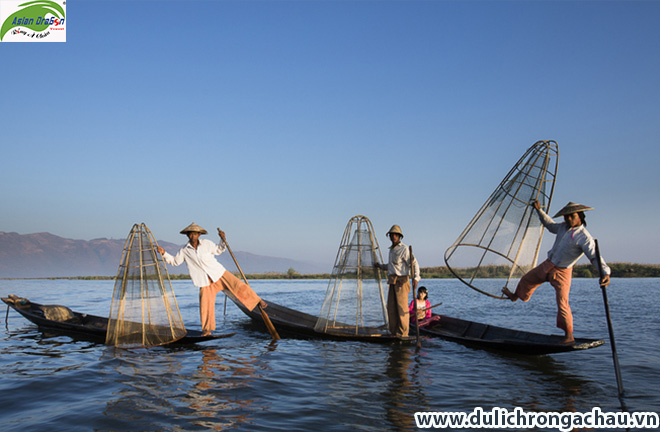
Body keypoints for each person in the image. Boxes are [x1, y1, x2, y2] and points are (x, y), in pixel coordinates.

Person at [502, 201, 611, 344]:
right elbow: (550, 225)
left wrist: (605, 273)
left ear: (580, 217)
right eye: (566, 217)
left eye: (571, 216)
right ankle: (516, 296)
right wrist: (539, 211)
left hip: (563, 272)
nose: (568, 219)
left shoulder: (584, 237)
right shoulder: (563, 227)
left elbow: (594, 256)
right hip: (548, 264)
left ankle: (569, 336)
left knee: (563, 304)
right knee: (526, 279)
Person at [157, 223, 265, 336]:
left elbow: (219, 250)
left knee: (238, 286)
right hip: (204, 281)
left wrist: (222, 239)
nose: (192, 236)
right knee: (205, 305)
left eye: (194, 233)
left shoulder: (206, 244)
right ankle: (207, 330)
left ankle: (257, 301)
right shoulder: (185, 250)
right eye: (190, 234)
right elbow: (175, 262)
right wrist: (164, 253)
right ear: (187, 235)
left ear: (199, 234)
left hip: (218, 273)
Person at [375, 225, 421, 338]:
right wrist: (380, 266)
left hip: (402, 281)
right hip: (392, 280)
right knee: (391, 307)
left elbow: (414, 263)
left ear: (399, 237)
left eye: (395, 235)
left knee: (402, 308)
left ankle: (403, 333)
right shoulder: (391, 250)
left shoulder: (404, 249)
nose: (393, 237)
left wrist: (416, 278)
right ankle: (394, 331)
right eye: (391, 235)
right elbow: (391, 267)